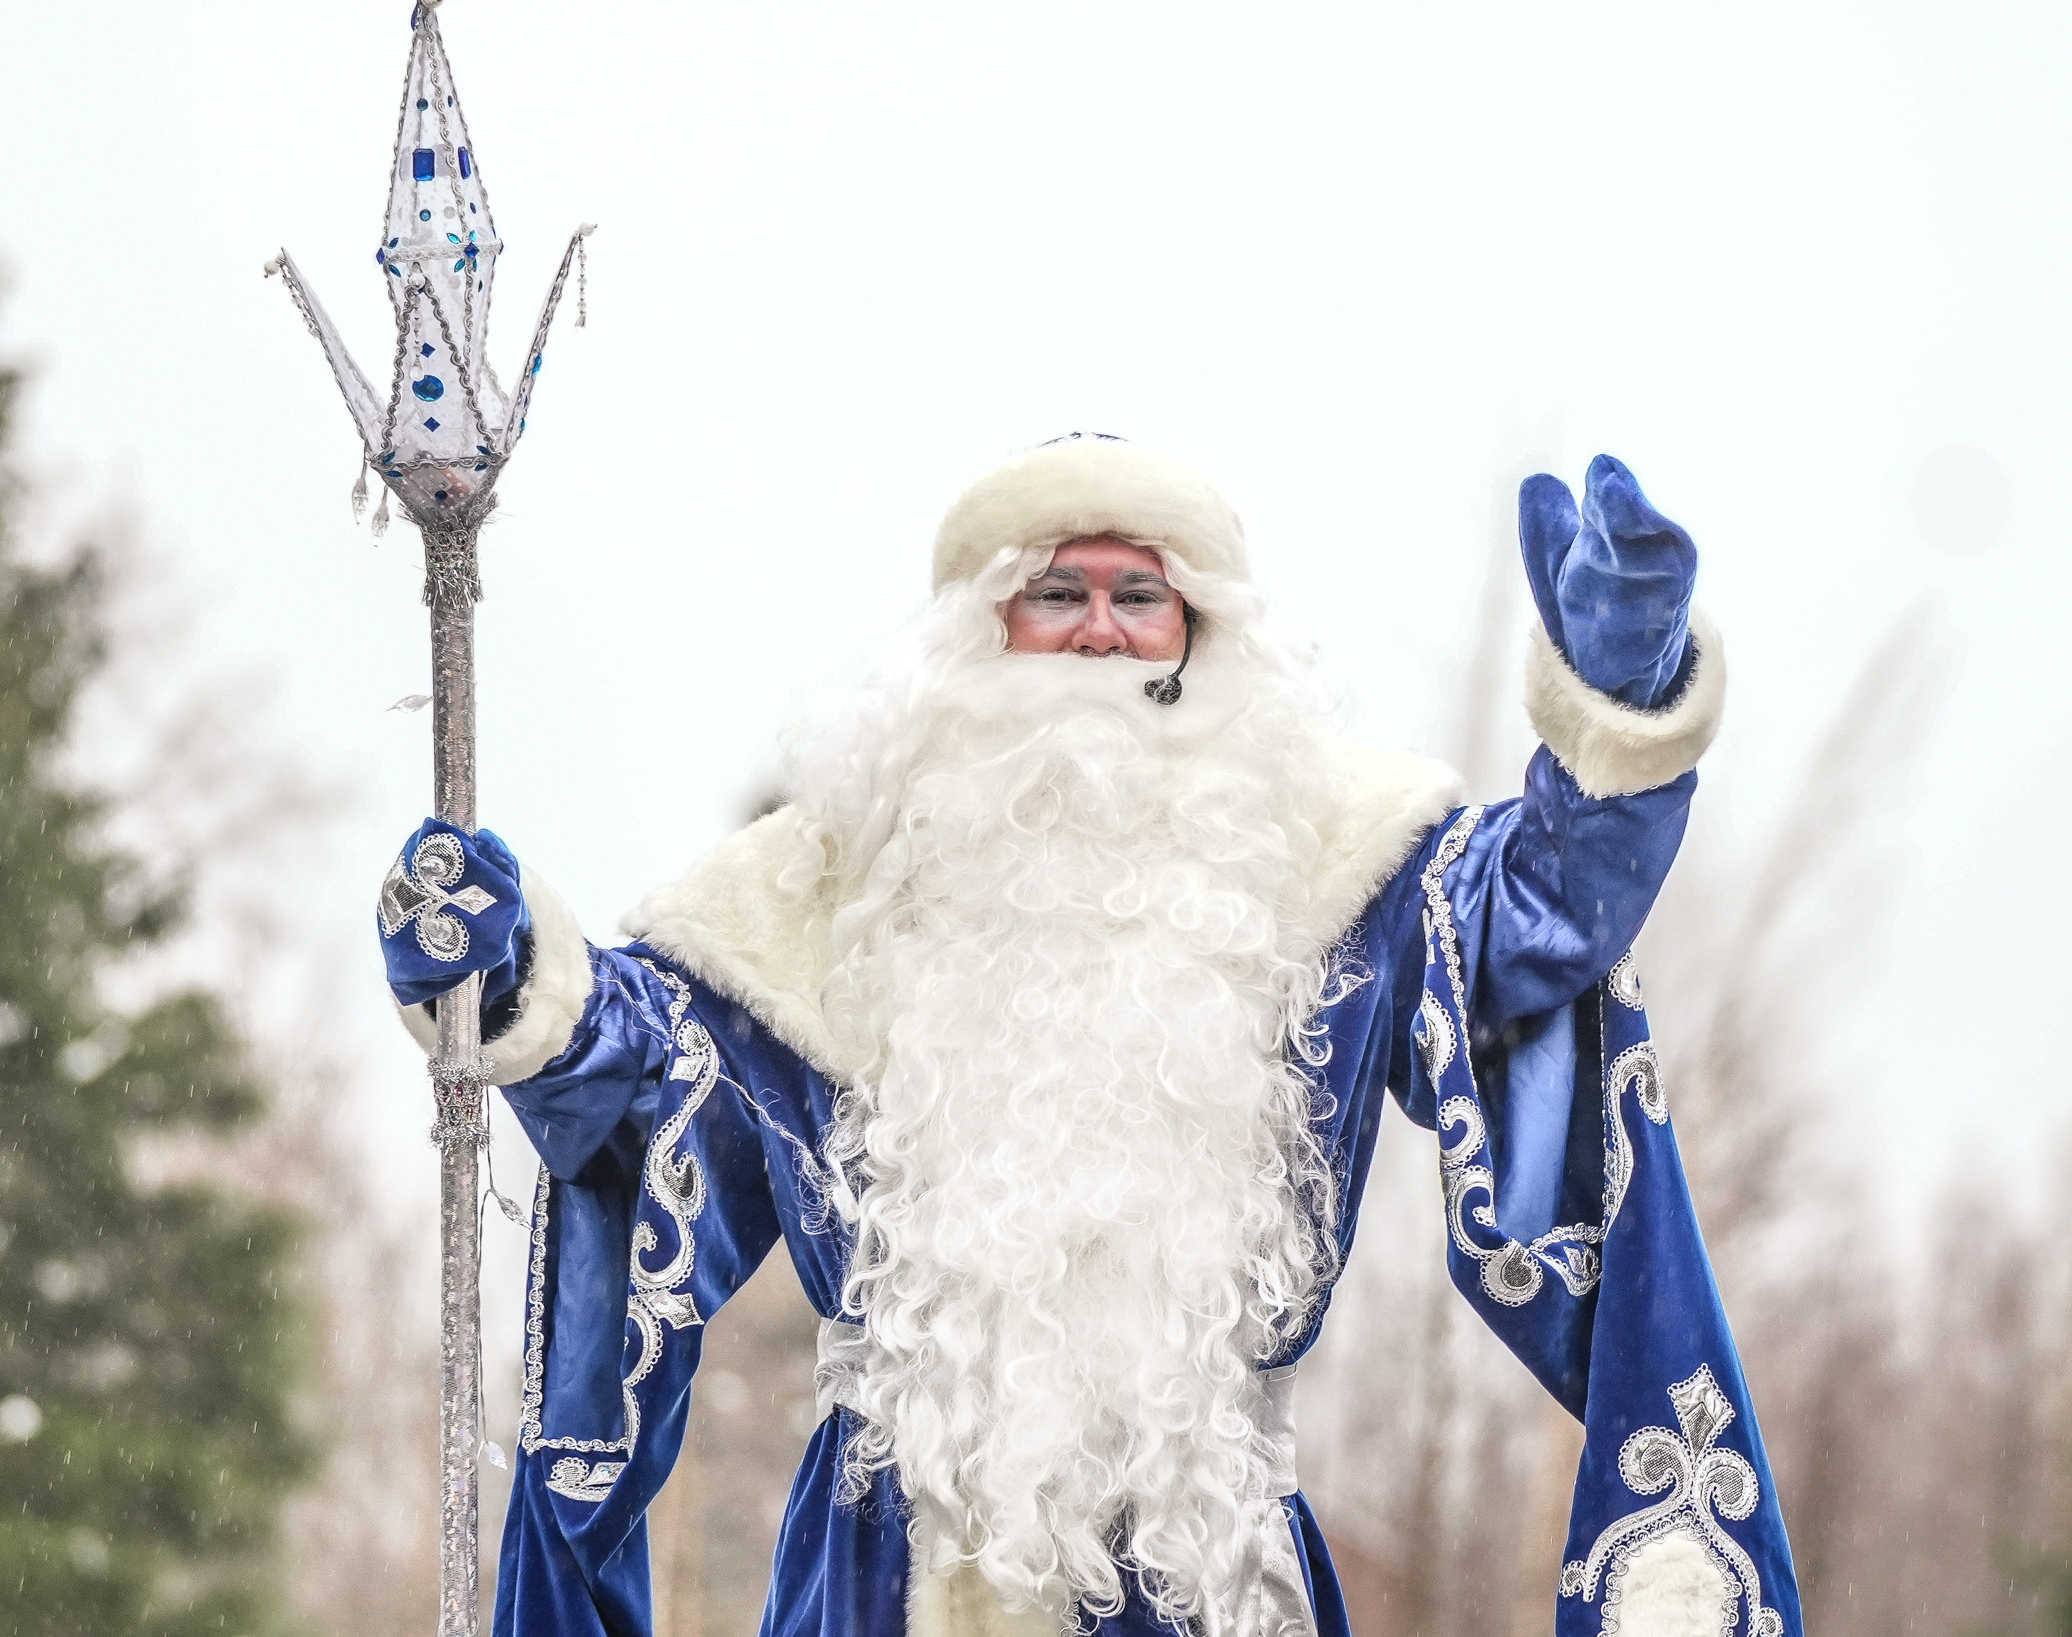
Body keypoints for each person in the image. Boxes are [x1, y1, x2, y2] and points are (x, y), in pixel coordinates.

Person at [376, 434, 1800, 1637]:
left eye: (1141, 593)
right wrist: (512, 983)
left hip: (1216, 1565)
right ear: (977, 628)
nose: (1104, 627)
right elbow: (639, 1086)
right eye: (1056, 591)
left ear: (1204, 629)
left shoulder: (1325, 873)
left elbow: (1538, 926)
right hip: (888, 1574)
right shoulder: (820, 895)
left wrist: (1616, 733)